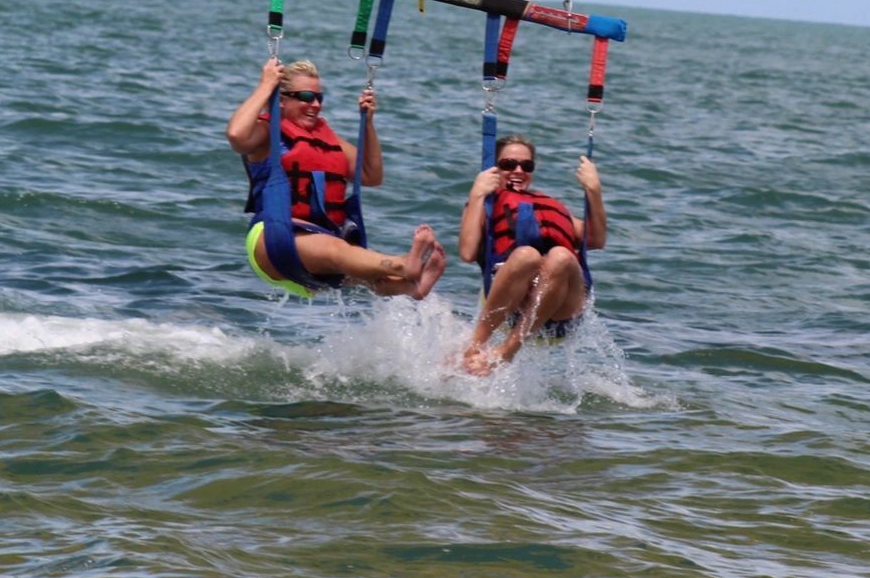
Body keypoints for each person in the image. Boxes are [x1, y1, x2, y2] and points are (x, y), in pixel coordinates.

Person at [227, 56, 445, 299]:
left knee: (363, 271)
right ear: (282, 100)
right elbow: (236, 135)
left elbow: (371, 175)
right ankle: (403, 265)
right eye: (307, 97)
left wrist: (368, 124)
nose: (316, 105)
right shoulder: (267, 134)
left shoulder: (327, 141)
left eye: (319, 98)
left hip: (315, 246)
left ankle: (409, 287)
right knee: (337, 251)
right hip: (274, 239)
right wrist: (266, 85)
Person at [458, 134, 606, 373]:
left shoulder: (550, 205)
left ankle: (508, 351)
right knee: (527, 255)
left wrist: (594, 190)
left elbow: (596, 239)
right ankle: (474, 346)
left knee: (561, 256)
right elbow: (467, 252)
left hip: (562, 317)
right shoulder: (485, 204)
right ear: (494, 169)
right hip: (510, 309)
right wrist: (476, 194)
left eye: (526, 166)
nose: (518, 170)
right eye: (508, 165)